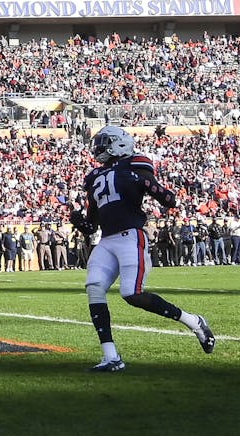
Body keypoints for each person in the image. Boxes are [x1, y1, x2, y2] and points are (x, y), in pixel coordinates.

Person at [70, 125, 215, 373]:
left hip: (130, 236)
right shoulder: (94, 176)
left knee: (132, 293)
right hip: (106, 240)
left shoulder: (136, 163)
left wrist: (146, 182)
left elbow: (169, 201)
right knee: (94, 288)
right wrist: (79, 221)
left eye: (104, 141)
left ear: (118, 143)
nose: (99, 146)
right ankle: (111, 356)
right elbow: (92, 224)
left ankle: (193, 321)